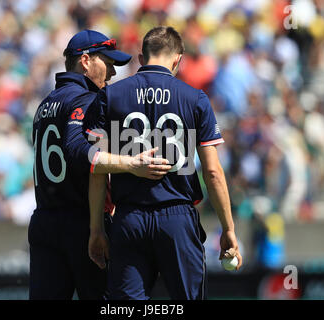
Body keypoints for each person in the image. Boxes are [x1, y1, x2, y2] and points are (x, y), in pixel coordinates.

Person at [87, 26, 243, 300]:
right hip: (177, 219)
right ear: (178, 59)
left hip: (129, 218)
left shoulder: (110, 96)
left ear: (141, 57)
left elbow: (96, 166)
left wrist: (97, 229)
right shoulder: (195, 99)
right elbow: (213, 172)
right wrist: (228, 229)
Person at [29, 30, 171, 300]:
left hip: (44, 221)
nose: (112, 74)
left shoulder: (45, 103)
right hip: (81, 224)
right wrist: (131, 164)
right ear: (85, 61)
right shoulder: (86, 100)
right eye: (107, 63)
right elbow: (76, 151)